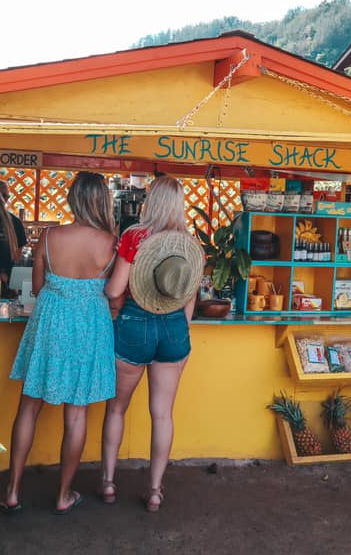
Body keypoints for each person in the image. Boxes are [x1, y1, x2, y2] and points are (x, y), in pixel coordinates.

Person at [4, 171, 118, 514]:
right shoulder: (111, 243)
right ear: (102, 200)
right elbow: (116, 293)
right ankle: (63, 495)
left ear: (72, 198)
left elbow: (37, 287)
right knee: (77, 414)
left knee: (29, 406)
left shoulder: (50, 236)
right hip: (90, 325)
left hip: (51, 321)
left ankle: (12, 490)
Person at [101, 176, 205, 512]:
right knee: (162, 415)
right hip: (174, 327)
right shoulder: (191, 245)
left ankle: (108, 484)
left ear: (151, 201)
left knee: (117, 408)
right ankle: (156, 491)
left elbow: (114, 290)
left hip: (135, 323)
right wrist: (175, 329)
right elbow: (188, 298)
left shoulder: (135, 237)